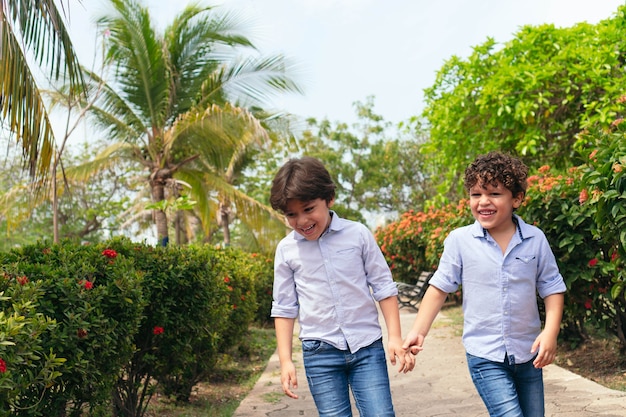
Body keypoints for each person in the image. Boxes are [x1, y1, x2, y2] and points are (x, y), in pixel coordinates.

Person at [402, 151, 566, 417]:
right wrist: (419, 332)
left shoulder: (535, 239)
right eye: (476, 194)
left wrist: (550, 332)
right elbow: (439, 287)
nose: (483, 202)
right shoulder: (460, 241)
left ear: (517, 199)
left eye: (495, 194)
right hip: (485, 356)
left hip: (529, 355)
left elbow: (552, 288)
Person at [269, 156, 411, 417]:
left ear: (329, 198)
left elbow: (384, 287)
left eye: (309, 209)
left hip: (367, 348)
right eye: (292, 214)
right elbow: (284, 308)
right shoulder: (287, 250)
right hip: (319, 354)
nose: (301, 221)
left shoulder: (357, 235)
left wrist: (395, 337)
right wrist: (286, 361)